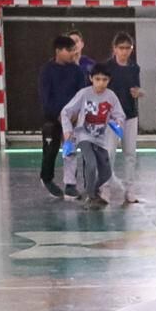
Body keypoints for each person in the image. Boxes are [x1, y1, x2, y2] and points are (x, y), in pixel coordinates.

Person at [60, 63, 126, 210]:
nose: (101, 83)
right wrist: (67, 131)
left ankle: (93, 191)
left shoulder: (111, 96)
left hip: (100, 138)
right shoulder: (84, 94)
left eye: (104, 79)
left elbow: (120, 115)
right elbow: (66, 111)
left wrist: (117, 124)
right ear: (91, 78)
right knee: (90, 163)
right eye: (97, 79)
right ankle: (91, 196)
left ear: (109, 80)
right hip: (83, 135)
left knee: (106, 172)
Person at [38, 35, 88, 197]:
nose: (73, 54)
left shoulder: (78, 71)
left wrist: (76, 114)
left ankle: (70, 184)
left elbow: (83, 95)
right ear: (58, 51)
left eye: (74, 50)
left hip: (72, 118)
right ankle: (46, 178)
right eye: (69, 50)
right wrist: (58, 115)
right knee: (50, 149)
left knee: (70, 149)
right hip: (52, 118)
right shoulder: (47, 71)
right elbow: (46, 97)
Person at [103, 32, 142, 204]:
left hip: (130, 116)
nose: (124, 52)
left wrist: (138, 92)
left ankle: (130, 189)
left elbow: (137, 88)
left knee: (130, 153)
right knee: (109, 153)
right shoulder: (107, 68)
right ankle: (104, 188)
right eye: (121, 48)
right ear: (115, 49)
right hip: (112, 118)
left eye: (128, 48)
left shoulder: (134, 68)